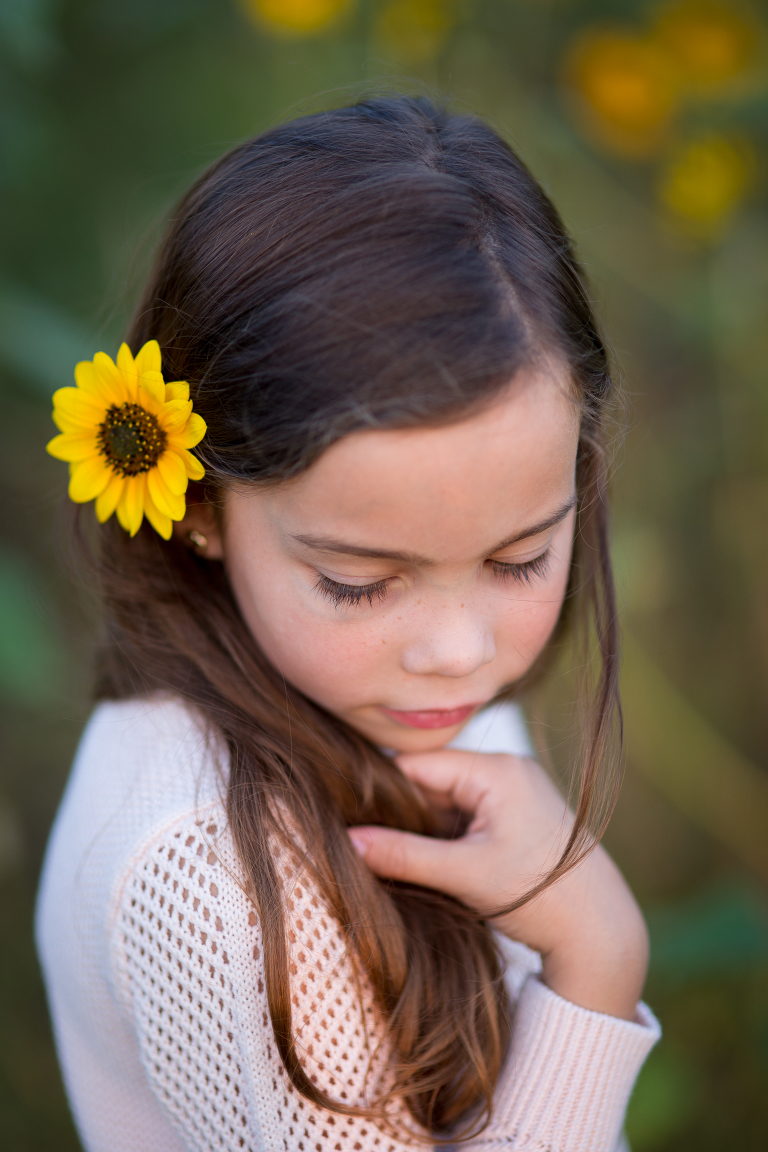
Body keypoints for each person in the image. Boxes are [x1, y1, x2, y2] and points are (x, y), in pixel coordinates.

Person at [36, 96, 660, 1152]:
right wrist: (596, 964)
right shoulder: (215, 883)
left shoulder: (386, 702)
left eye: (522, 558)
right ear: (197, 509)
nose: (461, 651)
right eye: (362, 582)